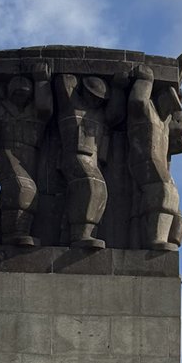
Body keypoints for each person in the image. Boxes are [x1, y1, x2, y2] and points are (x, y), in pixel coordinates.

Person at [0, 63, 53, 247]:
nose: (20, 96)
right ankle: (15, 234)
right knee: (22, 188)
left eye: (24, 93)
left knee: (18, 195)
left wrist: (41, 80)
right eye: (17, 93)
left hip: (32, 156)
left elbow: (45, 107)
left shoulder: (35, 110)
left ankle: (5, 233)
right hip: (8, 153)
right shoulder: (0, 108)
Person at [55, 72, 127, 248]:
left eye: (99, 99)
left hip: (92, 161)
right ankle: (81, 235)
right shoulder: (71, 106)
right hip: (73, 157)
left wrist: (118, 88)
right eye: (92, 96)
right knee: (92, 185)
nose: (95, 101)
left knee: (96, 191)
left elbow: (116, 114)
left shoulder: (100, 114)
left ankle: (76, 233)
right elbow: (64, 81)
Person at [126, 65, 182, 251]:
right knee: (163, 190)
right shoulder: (147, 110)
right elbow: (137, 100)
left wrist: (178, 109)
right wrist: (146, 80)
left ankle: (170, 241)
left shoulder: (164, 120)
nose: (172, 109)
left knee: (177, 211)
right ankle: (155, 239)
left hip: (157, 163)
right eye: (170, 103)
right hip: (143, 161)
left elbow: (181, 138)